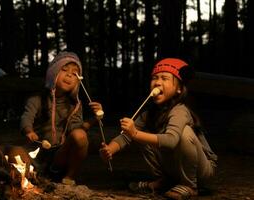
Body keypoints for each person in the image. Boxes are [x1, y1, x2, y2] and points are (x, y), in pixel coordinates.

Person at [99, 58, 217, 199]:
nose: (157, 82)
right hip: (175, 167)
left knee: (184, 132)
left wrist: (135, 133)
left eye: (164, 78)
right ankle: (164, 181)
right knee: (144, 135)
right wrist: (110, 149)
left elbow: (171, 141)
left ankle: (189, 185)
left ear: (179, 89)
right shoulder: (148, 114)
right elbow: (126, 136)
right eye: (155, 78)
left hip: (202, 170)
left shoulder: (180, 110)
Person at [20, 51, 102, 185]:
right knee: (15, 152)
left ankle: (69, 177)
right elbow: (26, 117)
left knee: (80, 135)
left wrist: (94, 118)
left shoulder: (75, 105)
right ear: (53, 73)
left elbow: (76, 131)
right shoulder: (37, 99)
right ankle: (37, 175)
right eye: (64, 70)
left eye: (75, 73)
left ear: (78, 80)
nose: (69, 74)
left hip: (60, 155)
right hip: (38, 154)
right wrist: (29, 130)